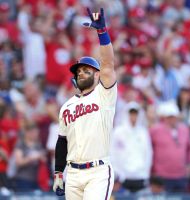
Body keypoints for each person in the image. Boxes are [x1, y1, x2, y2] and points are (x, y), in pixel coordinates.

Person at [52, 7, 117, 200]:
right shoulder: (67, 106)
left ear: (97, 74)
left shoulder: (104, 93)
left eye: (86, 69)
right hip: (72, 174)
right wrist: (58, 173)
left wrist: (102, 33)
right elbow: (61, 141)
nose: (81, 72)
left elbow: (108, 64)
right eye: (78, 70)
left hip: (97, 171)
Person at [110, 101, 153, 193]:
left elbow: (148, 153)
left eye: (135, 114)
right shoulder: (118, 132)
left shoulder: (143, 132)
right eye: (131, 114)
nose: (133, 117)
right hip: (123, 177)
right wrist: (117, 172)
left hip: (140, 176)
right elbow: (113, 153)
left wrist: (145, 171)